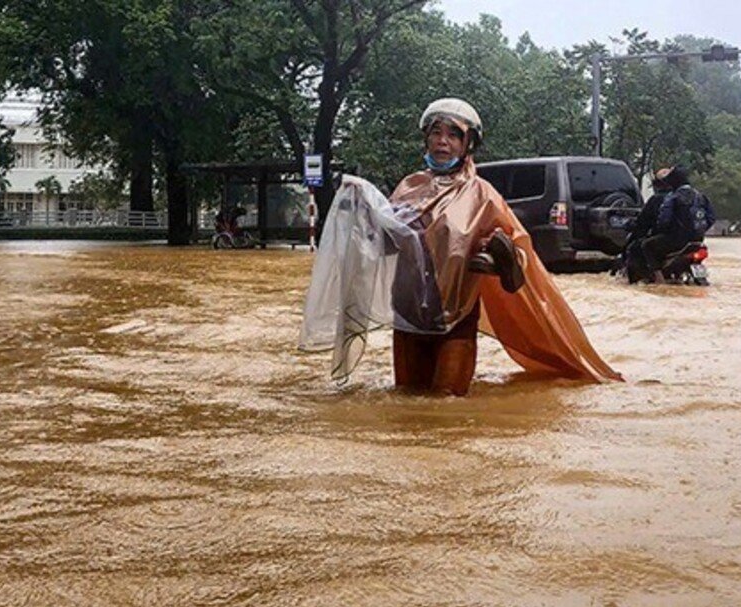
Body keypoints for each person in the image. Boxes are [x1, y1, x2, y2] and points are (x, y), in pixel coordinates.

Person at [300, 98, 620, 394]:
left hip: (455, 317)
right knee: (408, 403)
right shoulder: (409, 187)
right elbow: (386, 246)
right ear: (426, 139)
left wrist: (499, 257)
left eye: (453, 135)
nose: (442, 141)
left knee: (447, 403)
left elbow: (520, 253)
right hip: (408, 313)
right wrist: (363, 217)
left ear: (467, 144)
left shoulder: (482, 194)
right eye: (436, 133)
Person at [626, 166, 715, 283]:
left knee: (647, 246)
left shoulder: (672, 197)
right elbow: (711, 218)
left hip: (675, 241)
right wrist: (700, 230)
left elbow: (664, 220)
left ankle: (659, 280)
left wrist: (665, 230)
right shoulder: (700, 196)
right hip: (697, 241)